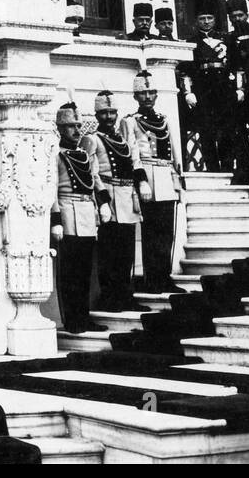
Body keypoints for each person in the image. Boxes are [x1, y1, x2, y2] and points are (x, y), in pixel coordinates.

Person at [121, 71, 184, 294]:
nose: (148, 97)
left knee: (167, 231)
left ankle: (164, 277)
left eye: (151, 92)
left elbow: (174, 152)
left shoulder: (164, 119)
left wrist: (178, 179)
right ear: (135, 96)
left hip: (166, 178)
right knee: (152, 232)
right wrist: (141, 181)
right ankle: (152, 280)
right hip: (148, 177)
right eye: (143, 93)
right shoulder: (130, 121)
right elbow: (132, 152)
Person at [87, 90, 143, 312]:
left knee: (126, 251)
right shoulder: (92, 139)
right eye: (104, 113)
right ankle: (109, 297)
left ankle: (125, 295)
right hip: (109, 199)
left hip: (127, 198)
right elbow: (92, 173)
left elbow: (133, 161)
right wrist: (101, 201)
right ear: (96, 115)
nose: (109, 117)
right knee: (109, 252)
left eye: (112, 112)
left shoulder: (122, 139)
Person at [51, 104, 104, 334]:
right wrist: (56, 221)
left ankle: (84, 317)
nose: (76, 130)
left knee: (84, 273)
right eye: (71, 126)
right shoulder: (55, 155)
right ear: (60, 128)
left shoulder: (84, 154)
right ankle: (72, 320)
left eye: (78, 126)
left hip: (86, 214)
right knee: (70, 273)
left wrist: (102, 206)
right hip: (68, 213)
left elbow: (93, 180)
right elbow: (51, 189)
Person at [182, 10, 234, 173]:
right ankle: (213, 169)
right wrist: (188, 92)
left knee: (226, 129)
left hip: (224, 88)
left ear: (215, 19)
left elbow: (237, 66)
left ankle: (227, 167)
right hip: (202, 89)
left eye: (209, 17)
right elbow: (186, 71)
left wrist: (239, 88)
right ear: (196, 21)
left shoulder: (227, 38)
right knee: (206, 130)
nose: (206, 21)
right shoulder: (191, 42)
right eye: (202, 18)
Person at [224, 0, 249, 173]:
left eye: (240, 15)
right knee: (238, 131)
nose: (237, 19)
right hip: (234, 93)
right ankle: (244, 167)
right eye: (233, 16)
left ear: (247, 15)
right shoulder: (227, 39)